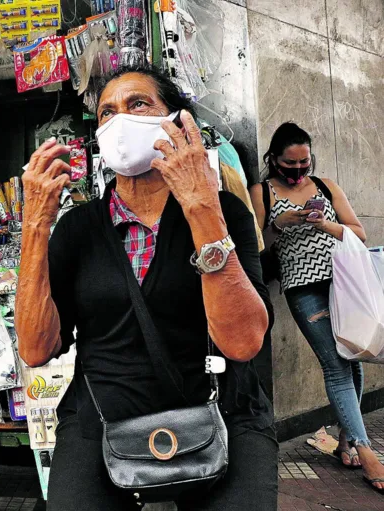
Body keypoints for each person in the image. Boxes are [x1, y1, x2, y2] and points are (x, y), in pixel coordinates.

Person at [17, 66, 277, 511]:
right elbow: (36, 348)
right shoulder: (78, 229)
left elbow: (244, 341)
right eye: (106, 113)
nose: (119, 120)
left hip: (222, 411)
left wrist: (200, 206)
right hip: (101, 415)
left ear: (177, 121)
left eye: (138, 104)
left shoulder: (225, 211)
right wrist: (36, 225)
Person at [249, 123, 384, 491]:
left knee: (353, 359)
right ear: (273, 160)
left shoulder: (325, 186)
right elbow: (254, 244)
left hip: (344, 284)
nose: (297, 172)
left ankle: (346, 440)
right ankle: (367, 450)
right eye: (289, 165)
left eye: (304, 163)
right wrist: (279, 223)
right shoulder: (261, 192)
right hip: (303, 289)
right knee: (336, 364)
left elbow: (359, 232)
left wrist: (325, 223)